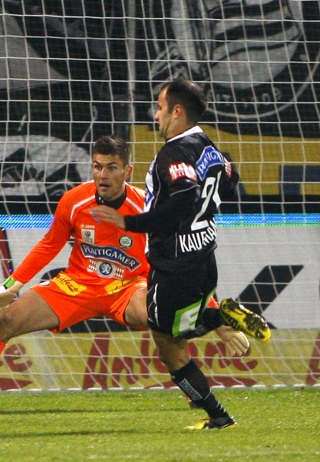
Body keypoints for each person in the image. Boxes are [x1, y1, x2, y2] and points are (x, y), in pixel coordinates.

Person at [0, 135, 250, 413]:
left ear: (127, 172)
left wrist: (217, 320)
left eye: (112, 168)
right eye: (97, 167)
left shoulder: (148, 208)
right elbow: (49, 245)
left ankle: (212, 340)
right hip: (76, 286)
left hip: (130, 287)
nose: (103, 175)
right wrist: (12, 286)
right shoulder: (75, 201)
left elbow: (181, 260)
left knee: (160, 319)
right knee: (5, 322)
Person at [94, 78, 271, 430]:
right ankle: (218, 416)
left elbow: (185, 198)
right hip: (205, 256)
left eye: (160, 107)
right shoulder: (209, 146)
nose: (155, 114)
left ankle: (220, 318)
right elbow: (231, 180)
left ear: (177, 111)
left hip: (176, 264)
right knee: (169, 336)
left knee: (169, 335)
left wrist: (130, 223)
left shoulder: (173, 153)